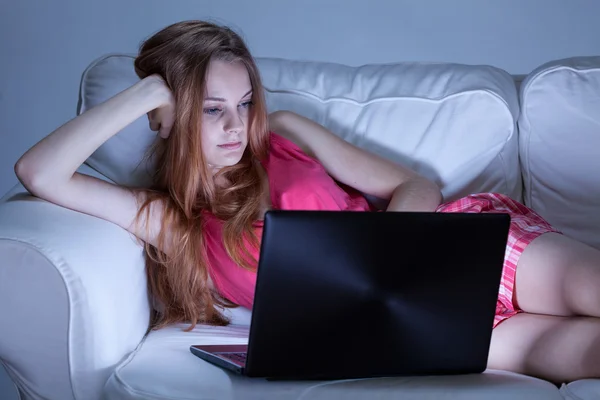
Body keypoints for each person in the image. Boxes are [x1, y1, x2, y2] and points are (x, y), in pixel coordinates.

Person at [14, 20, 600, 384]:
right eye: (211, 108)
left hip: (456, 252)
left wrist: (385, 259)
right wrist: (147, 91)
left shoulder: (286, 134)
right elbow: (39, 172)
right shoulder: (172, 222)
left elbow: (416, 187)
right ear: (165, 116)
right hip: (402, 331)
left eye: (244, 103)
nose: (235, 126)